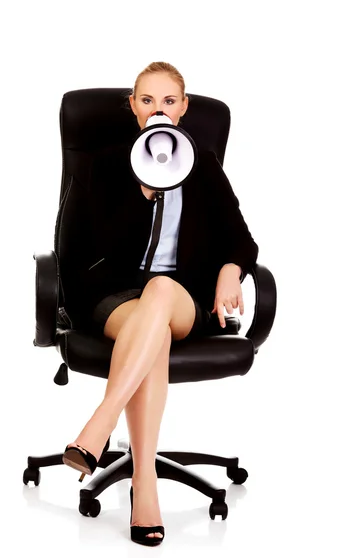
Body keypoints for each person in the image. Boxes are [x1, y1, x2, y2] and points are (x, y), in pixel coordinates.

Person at [62, 61, 259, 545]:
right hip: (115, 296)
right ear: (132, 106)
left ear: (184, 108)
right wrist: (143, 194)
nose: (158, 110)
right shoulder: (102, 163)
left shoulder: (204, 165)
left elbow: (242, 241)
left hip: (181, 298)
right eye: (147, 100)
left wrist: (231, 270)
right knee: (152, 333)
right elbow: (81, 248)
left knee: (162, 291)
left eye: (168, 101)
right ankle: (144, 485)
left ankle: (101, 421)